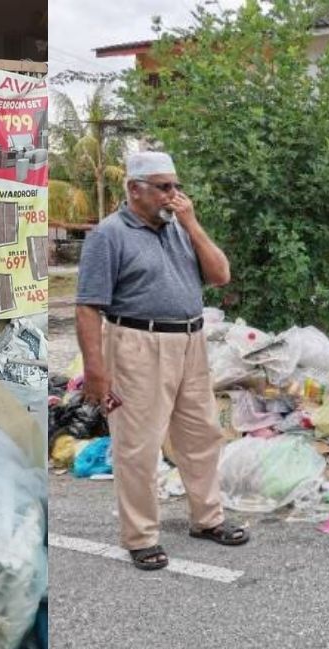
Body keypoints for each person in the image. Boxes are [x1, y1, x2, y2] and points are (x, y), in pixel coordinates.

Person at [75, 151, 249, 571]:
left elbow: (221, 274)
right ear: (135, 190)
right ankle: (141, 537)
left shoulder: (178, 228)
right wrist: (96, 371)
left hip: (190, 341)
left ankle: (207, 519)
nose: (174, 195)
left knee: (202, 434)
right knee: (138, 444)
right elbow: (86, 308)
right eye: (163, 187)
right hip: (137, 343)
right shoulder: (109, 235)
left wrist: (191, 223)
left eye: (176, 186)